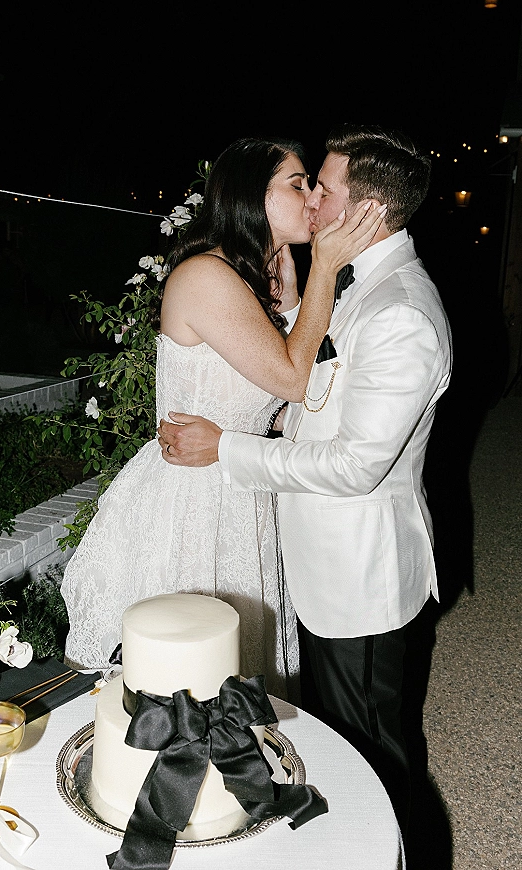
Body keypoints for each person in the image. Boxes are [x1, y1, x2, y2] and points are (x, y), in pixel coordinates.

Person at [157, 123, 453, 830]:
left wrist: (227, 449)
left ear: (368, 211)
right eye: (305, 183)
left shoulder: (402, 313)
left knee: (373, 750)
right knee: (340, 737)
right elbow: (317, 383)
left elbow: (353, 465)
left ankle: (389, 849)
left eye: (323, 186)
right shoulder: (360, 285)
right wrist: (296, 304)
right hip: (318, 558)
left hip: (359, 573)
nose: (314, 197)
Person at [60, 136, 384, 702]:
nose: (312, 197)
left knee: (243, 673)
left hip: (245, 483)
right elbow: (290, 376)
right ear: (251, 197)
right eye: (298, 183)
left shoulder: (275, 266)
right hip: (193, 499)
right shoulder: (205, 276)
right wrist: (326, 270)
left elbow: (285, 398)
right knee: (184, 678)